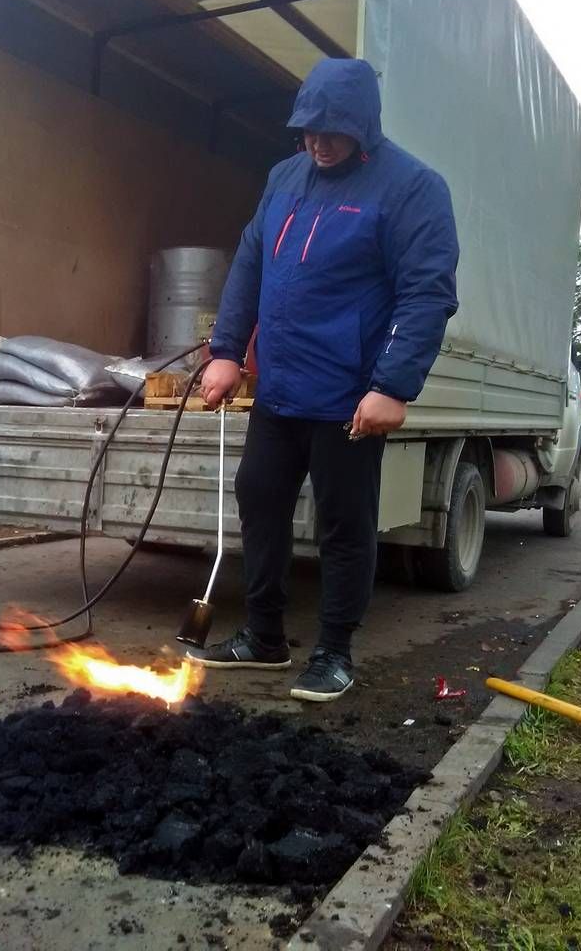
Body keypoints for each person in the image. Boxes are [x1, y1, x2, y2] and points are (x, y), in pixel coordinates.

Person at [190, 58, 459, 702]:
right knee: (258, 498)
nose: (318, 142)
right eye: (309, 129)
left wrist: (392, 385)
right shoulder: (286, 177)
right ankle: (264, 636)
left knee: (344, 524)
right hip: (279, 387)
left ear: (365, 126)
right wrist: (227, 350)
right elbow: (251, 262)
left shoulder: (411, 187)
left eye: (333, 132)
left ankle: (335, 650)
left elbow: (426, 292)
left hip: (348, 397)